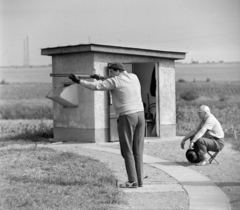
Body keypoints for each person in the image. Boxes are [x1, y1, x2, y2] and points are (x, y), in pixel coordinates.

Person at [69, 62, 145, 188]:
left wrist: (79, 81)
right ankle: (140, 181)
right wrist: (103, 78)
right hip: (140, 115)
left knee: (127, 151)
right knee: (138, 150)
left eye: (111, 72)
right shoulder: (134, 77)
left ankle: (132, 181)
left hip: (127, 116)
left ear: (117, 71)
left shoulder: (115, 81)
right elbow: (115, 81)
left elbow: (96, 86)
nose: (109, 74)